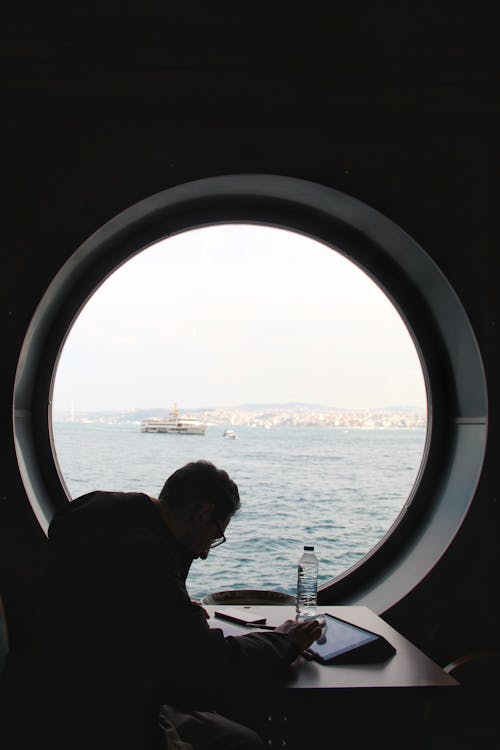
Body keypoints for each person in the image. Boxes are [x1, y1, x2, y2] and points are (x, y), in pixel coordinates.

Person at [1, 460, 322, 749]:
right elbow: (210, 667)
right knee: (246, 742)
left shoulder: (98, 517)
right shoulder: (148, 559)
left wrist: (175, 610)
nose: (206, 553)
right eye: (215, 536)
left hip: (41, 700)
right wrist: (284, 640)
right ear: (202, 514)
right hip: (102, 719)